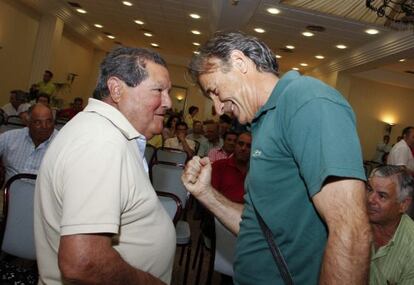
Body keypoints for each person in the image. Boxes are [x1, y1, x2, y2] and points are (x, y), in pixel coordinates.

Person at [182, 32, 370, 284]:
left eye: (215, 91)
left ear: (239, 62)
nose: (218, 108)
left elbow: (351, 229)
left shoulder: (306, 100)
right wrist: (206, 194)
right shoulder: (264, 122)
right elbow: (257, 225)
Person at [34, 47, 176, 285]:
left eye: (168, 92)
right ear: (116, 89)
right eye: (159, 90)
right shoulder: (101, 141)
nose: (169, 102)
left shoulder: (104, 133)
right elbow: (83, 262)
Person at [367, 165, 414, 285]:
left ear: (403, 204)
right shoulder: (351, 222)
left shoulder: (411, 246)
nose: (370, 199)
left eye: (382, 196)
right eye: (369, 189)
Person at [0, 103, 57, 182]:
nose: (44, 126)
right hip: (11, 192)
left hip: (42, 193)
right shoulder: (10, 138)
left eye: (49, 121)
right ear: (28, 123)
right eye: (38, 122)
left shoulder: (62, 143)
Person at [211, 132, 251, 203]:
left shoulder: (257, 171)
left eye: (249, 146)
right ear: (235, 146)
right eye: (240, 144)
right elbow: (210, 197)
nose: (243, 148)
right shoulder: (219, 166)